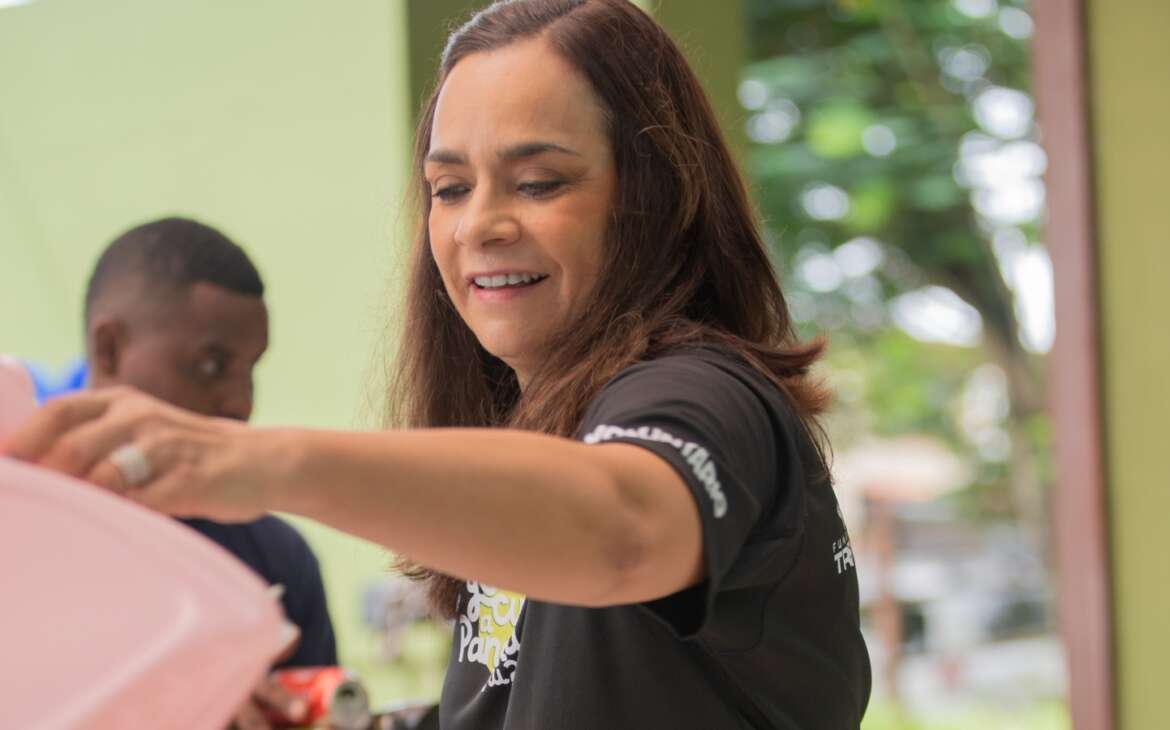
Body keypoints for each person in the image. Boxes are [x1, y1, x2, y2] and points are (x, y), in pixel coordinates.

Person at [7, 1, 871, 727]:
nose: (478, 225)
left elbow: (627, 528)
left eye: (538, 182)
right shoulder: (532, 441)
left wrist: (258, 463)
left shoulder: (703, 393)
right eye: (450, 188)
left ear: (658, 196)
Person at [79, 217, 337, 728]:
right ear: (110, 350)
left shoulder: (279, 557)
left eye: (251, 369)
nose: (241, 402)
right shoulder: (24, 541)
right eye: (211, 366)